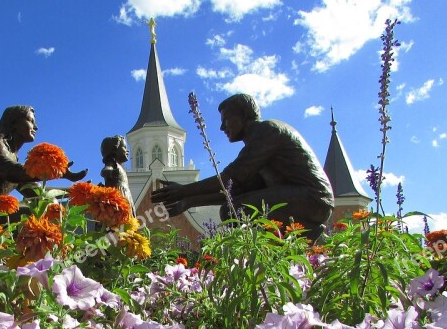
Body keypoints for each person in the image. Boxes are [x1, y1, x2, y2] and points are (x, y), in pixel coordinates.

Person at [151, 93, 334, 240]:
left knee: (233, 211)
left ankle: (281, 252)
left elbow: (229, 178)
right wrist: (189, 201)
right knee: (233, 208)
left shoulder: (266, 132)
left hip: (313, 198)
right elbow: (234, 190)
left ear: (243, 115)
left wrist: (184, 191)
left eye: (226, 119)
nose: (222, 127)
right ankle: (309, 239)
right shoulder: (259, 147)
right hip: (307, 198)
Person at [0, 105, 86, 220]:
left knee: (50, 204)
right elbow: (13, 172)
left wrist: (77, 191)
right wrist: (55, 171)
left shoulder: (14, 158)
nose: (36, 127)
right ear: (14, 123)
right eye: (31, 121)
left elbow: (37, 191)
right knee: (40, 211)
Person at [100, 135, 135, 216]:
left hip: (126, 194)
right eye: (124, 147)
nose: (127, 150)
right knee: (118, 217)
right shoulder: (113, 165)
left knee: (129, 217)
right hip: (117, 195)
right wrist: (111, 173)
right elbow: (104, 171)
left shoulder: (120, 167)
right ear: (114, 151)